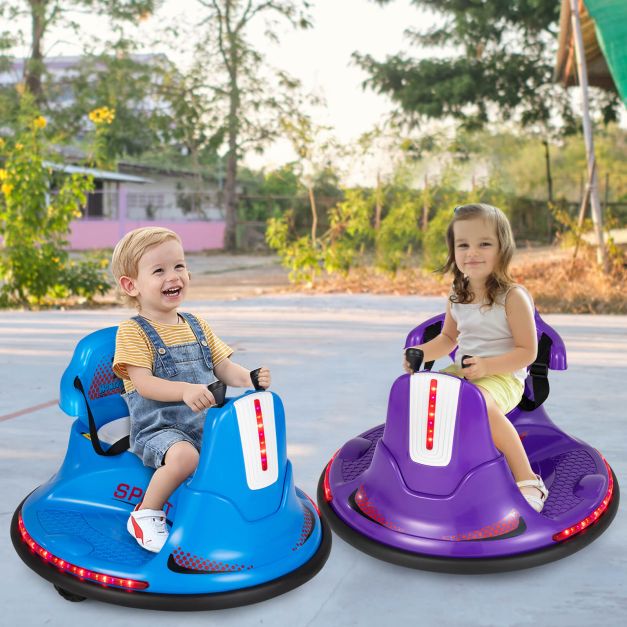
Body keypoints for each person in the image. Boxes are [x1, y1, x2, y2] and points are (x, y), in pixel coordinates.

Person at [111, 227, 271, 552]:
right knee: (185, 457)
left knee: (245, 445)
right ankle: (145, 514)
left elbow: (223, 367)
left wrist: (249, 378)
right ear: (131, 285)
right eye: (159, 270)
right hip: (160, 429)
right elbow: (143, 384)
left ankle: (236, 510)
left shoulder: (197, 325)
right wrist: (185, 390)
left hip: (204, 423)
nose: (173, 276)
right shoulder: (132, 332)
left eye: (179, 266)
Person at [404, 203, 548, 512]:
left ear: (502, 248)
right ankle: (424, 467)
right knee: (423, 395)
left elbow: (528, 352)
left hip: (503, 376)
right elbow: (448, 339)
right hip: (465, 371)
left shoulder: (513, 296)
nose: (472, 252)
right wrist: (420, 353)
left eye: (484, 243)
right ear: (453, 250)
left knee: (477, 404)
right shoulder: (457, 293)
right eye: (463, 245)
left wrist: (487, 366)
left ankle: (527, 478)